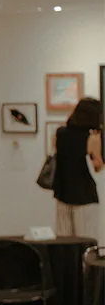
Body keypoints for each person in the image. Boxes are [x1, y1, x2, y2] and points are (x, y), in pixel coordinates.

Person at [52, 97, 103, 240]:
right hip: (84, 196)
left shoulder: (60, 133)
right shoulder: (92, 138)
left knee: (64, 244)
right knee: (86, 243)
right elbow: (97, 166)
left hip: (63, 194)